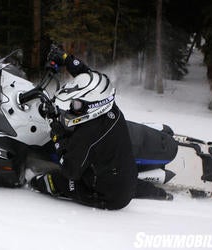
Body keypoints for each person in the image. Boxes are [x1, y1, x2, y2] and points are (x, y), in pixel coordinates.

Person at [29, 45, 170, 210]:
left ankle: (33, 182)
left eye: (76, 104)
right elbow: (87, 77)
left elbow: (70, 170)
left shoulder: (88, 134)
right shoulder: (109, 106)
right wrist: (67, 59)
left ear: (93, 107)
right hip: (122, 176)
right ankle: (156, 193)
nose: (72, 108)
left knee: (53, 181)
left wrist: (56, 132)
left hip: (108, 197)